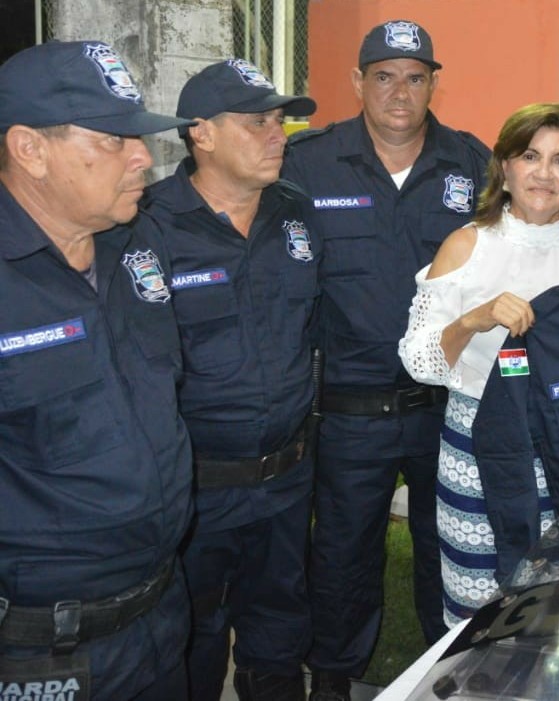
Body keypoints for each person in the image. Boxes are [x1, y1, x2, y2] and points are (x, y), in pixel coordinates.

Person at [281, 19, 491, 700]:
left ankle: (444, 673)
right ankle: (332, 677)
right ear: (358, 82)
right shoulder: (308, 163)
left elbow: (524, 238)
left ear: (433, 84)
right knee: (342, 555)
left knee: (448, 548)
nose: (400, 92)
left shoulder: (472, 163)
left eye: (414, 77)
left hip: (445, 406)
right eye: (383, 76)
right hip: (348, 410)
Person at [0, 41, 194, 700]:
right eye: (114, 139)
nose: (143, 156)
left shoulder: (135, 244)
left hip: (160, 613)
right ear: (30, 149)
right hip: (44, 652)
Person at [398, 103, 559, 626]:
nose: (544, 173)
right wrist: (474, 319)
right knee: (479, 610)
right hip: (476, 456)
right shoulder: (466, 246)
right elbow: (418, 362)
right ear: (504, 167)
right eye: (530, 156)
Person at [142, 59, 320, 701]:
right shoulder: (146, 226)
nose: (277, 135)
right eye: (256, 123)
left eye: (279, 121)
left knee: (280, 637)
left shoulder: (295, 213)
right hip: (198, 494)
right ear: (202, 133)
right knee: (193, 638)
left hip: (286, 481)